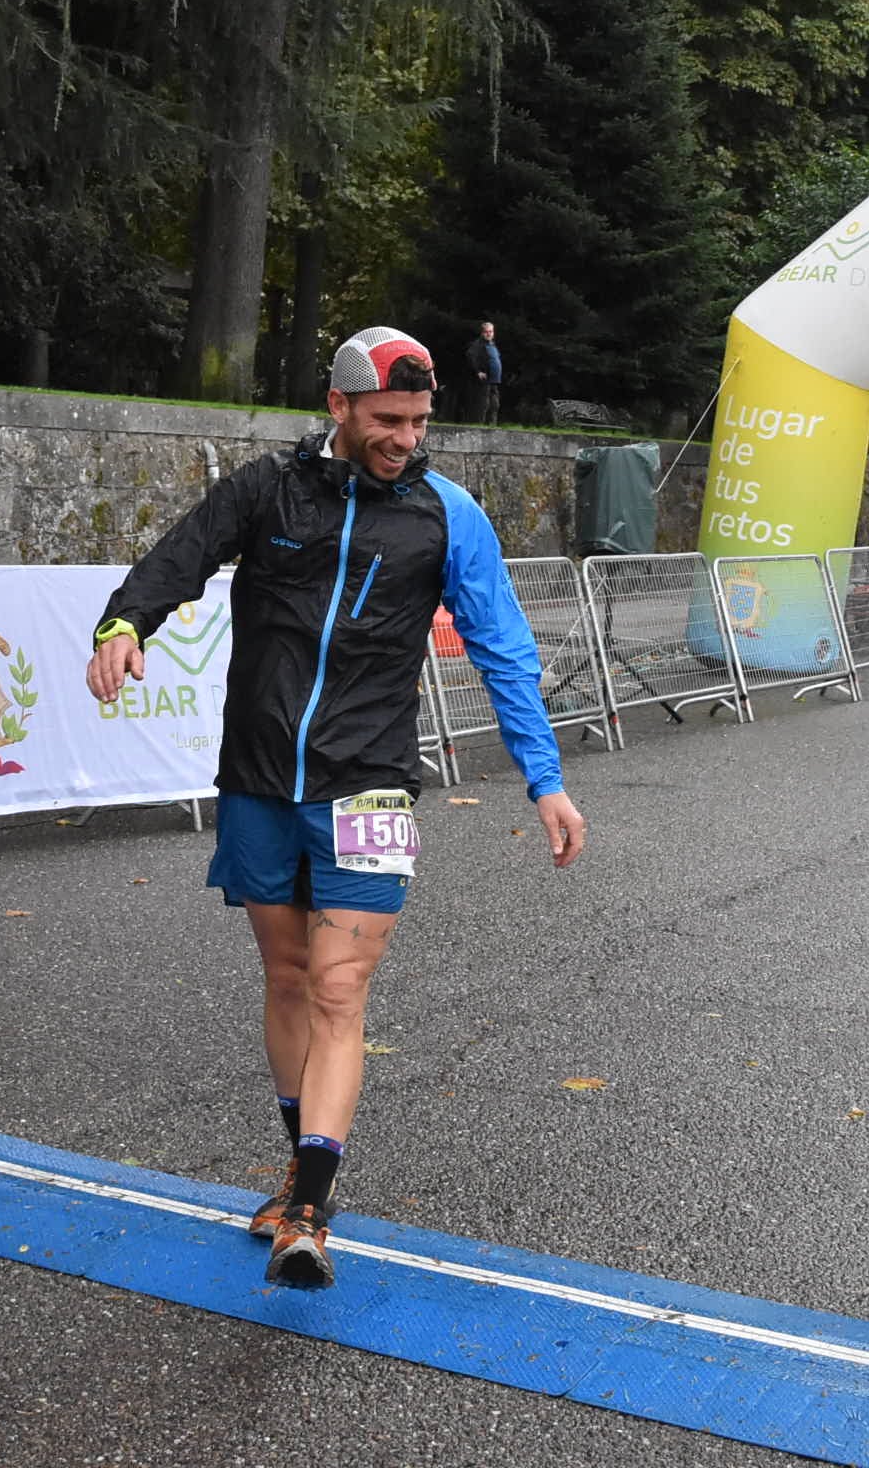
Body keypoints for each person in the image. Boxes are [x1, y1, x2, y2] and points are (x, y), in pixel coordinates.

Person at [86, 326, 585, 1290]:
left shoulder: (448, 515)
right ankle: (297, 1169)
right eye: (389, 419)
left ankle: (310, 1208)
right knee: (286, 978)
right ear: (340, 406)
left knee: (339, 987)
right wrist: (123, 623)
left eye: (420, 421)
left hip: (370, 781)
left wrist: (545, 778)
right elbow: (179, 558)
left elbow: (502, 647)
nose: (406, 438)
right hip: (260, 777)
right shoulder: (268, 490)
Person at [462, 321, 502, 425]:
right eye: (486, 332)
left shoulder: (492, 344)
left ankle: (492, 426)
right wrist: (478, 371)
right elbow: (470, 356)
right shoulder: (478, 344)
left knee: (495, 404)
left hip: (494, 380)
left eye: (491, 331)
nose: (489, 334)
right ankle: (479, 426)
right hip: (484, 380)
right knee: (483, 404)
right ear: (482, 333)